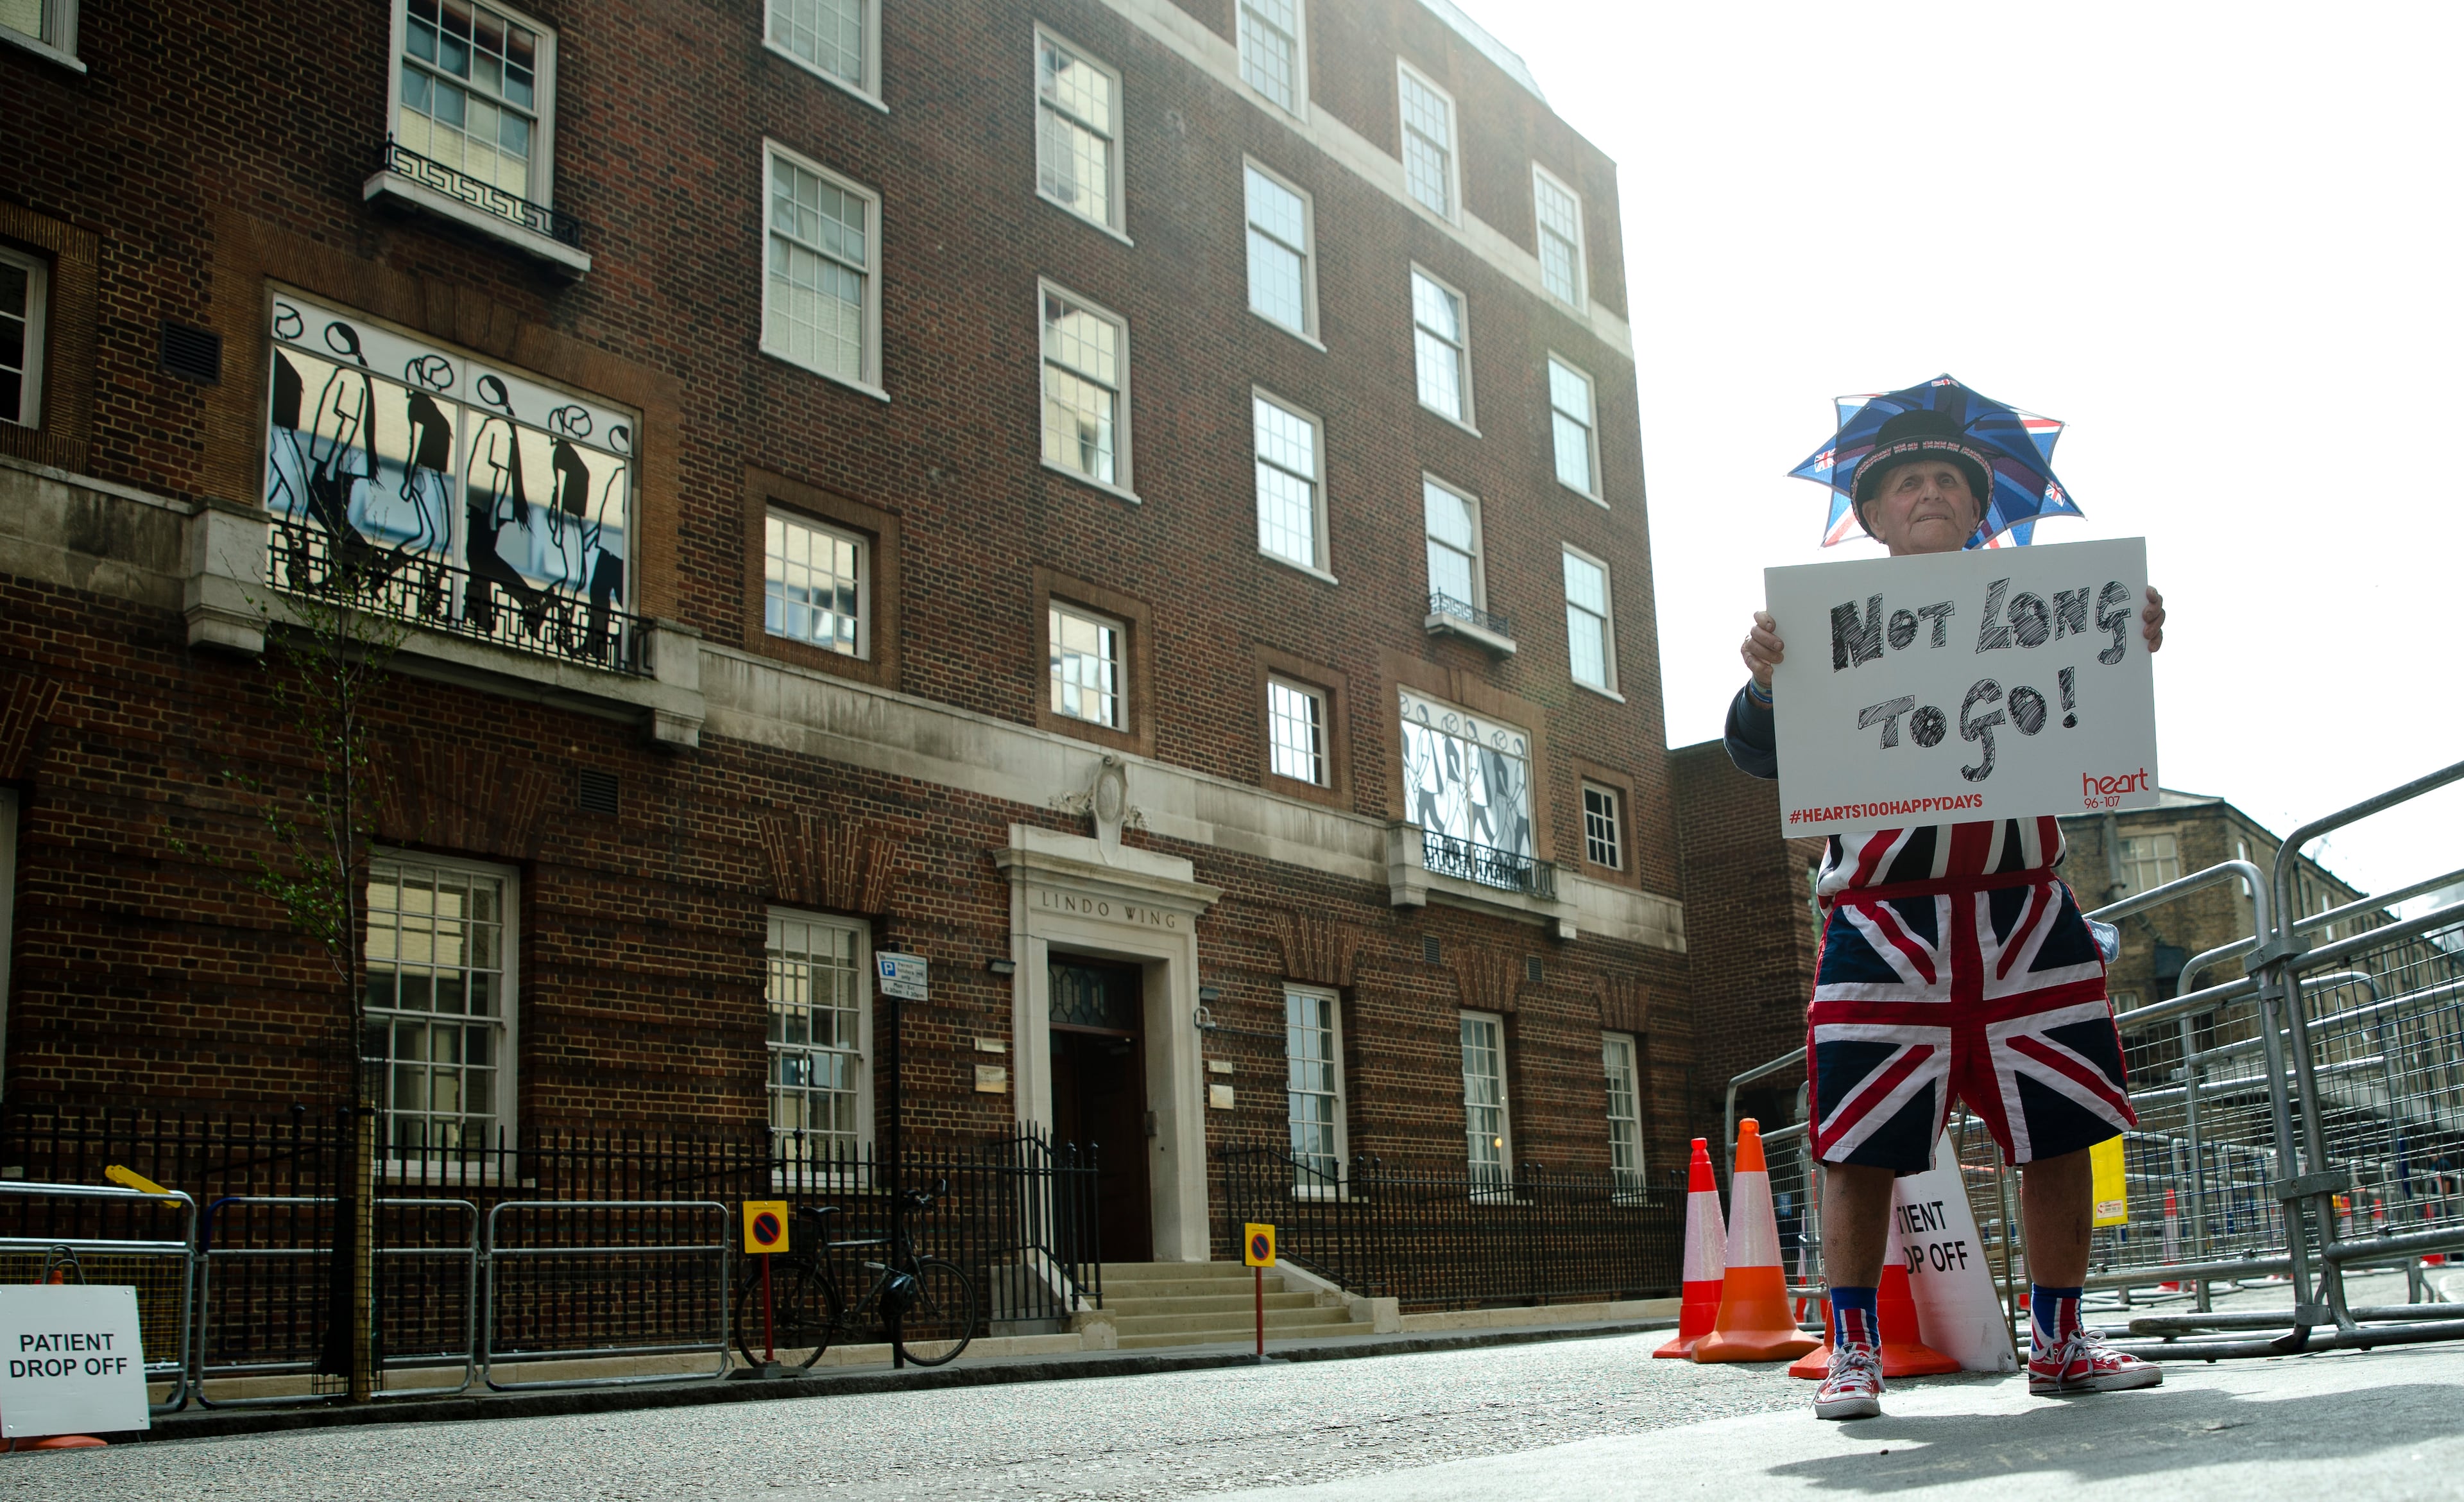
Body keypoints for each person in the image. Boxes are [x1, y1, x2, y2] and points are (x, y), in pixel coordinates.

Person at [1727, 407, 2168, 1420]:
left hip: (2025, 914)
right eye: (1908, 481)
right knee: (1861, 1143)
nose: (1931, 493)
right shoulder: (1821, 625)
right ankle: (1853, 1353)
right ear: (1872, 513)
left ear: (1982, 511)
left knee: (2061, 1129)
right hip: (1885, 922)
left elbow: (2098, 716)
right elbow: (1759, 752)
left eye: (1951, 482)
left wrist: (2124, 639)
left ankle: (2058, 1341)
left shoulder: (2047, 605)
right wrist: (1764, 683)